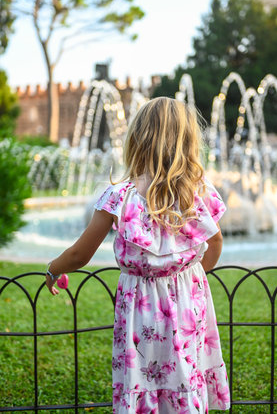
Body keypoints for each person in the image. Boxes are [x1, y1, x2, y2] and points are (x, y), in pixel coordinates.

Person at [46, 96, 231, 413]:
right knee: (185, 371)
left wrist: (53, 268)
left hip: (140, 307)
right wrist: (193, 276)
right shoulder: (198, 191)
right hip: (190, 299)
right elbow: (214, 243)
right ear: (187, 141)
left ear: (136, 140)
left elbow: (80, 254)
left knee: (141, 376)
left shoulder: (120, 195)